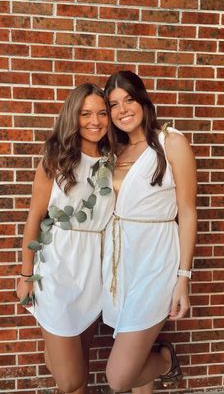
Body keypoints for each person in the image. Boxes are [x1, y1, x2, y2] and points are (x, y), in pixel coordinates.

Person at [102, 71, 197, 393]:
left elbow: (187, 211)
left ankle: (167, 359)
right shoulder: (113, 152)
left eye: (129, 99)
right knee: (137, 355)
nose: (122, 109)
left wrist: (183, 277)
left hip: (156, 264)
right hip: (118, 265)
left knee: (119, 377)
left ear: (143, 100)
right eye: (113, 104)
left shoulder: (170, 142)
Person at [16, 83, 115, 394]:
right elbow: (34, 217)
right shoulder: (55, 158)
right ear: (74, 116)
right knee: (72, 380)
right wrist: (25, 274)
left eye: (102, 113)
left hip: (94, 269)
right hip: (57, 268)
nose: (95, 121)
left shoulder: (113, 161)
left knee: (75, 368)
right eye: (86, 114)